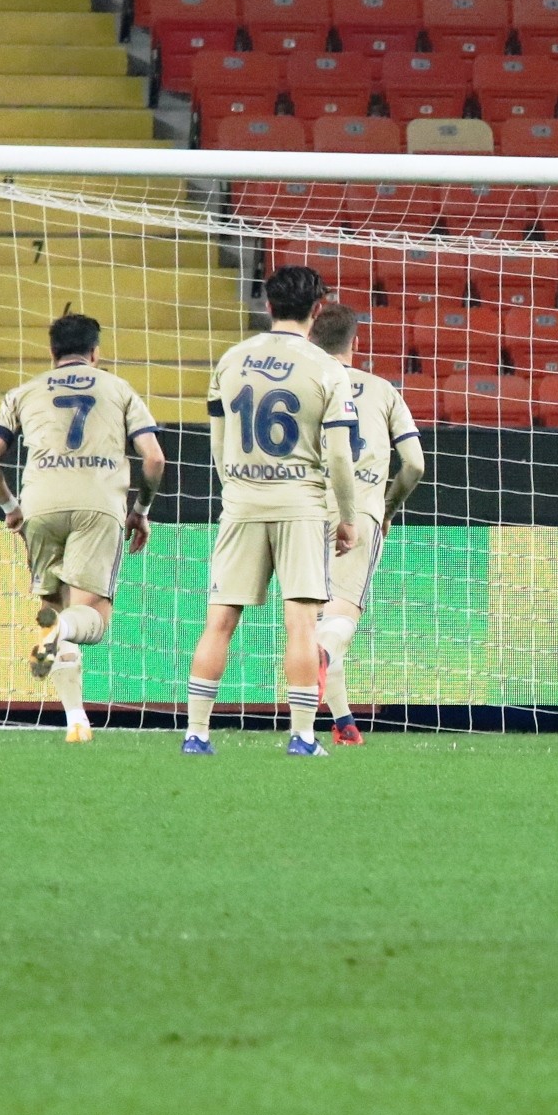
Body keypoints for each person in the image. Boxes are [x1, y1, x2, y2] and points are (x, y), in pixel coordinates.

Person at [183, 266, 361, 757]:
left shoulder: (232, 359)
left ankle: (196, 734)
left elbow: (218, 444)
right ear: (318, 308)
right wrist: (345, 516)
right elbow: (341, 456)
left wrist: (236, 489)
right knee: (301, 624)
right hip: (301, 505)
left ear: (266, 305)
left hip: (241, 500)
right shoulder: (327, 368)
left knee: (219, 619)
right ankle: (302, 737)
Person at [0, 311, 166, 742]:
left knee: (59, 611)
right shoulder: (118, 389)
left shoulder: (23, 392)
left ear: (52, 352)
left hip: (39, 505)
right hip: (97, 505)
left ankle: (76, 720)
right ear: (95, 352)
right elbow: (153, 458)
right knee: (90, 618)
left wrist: (9, 505)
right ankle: (60, 634)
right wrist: (142, 508)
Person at [307, 300, 424, 746]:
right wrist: (388, 509)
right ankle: (323, 669)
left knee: (313, 616)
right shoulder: (381, 389)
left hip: (302, 506)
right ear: (356, 344)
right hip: (358, 510)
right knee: (340, 616)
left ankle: (342, 724)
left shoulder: (305, 385)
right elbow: (414, 464)